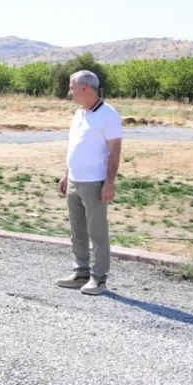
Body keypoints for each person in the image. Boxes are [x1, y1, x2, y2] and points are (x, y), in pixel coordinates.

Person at [55, 70, 122, 296]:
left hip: (94, 182)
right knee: (78, 232)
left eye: (72, 87)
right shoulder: (78, 114)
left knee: (97, 233)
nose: (69, 92)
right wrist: (66, 174)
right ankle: (80, 273)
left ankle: (99, 279)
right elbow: (74, 146)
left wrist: (109, 183)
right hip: (74, 180)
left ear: (84, 88)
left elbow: (115, 152)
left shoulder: (108, 115)